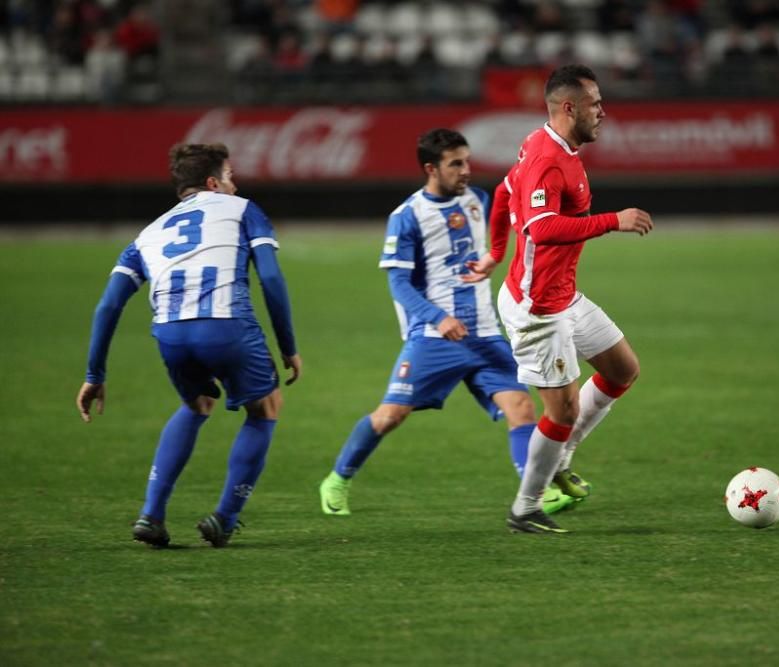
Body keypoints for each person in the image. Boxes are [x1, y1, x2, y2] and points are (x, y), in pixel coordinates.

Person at [318, 128, 577, 518]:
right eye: (455, 164)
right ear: (430, 168)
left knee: (521, 407)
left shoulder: (479, 200)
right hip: (434, 337)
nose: (466, 170)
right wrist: (438, 319)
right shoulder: (406, 217)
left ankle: (534, 496)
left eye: (467, 161)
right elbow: (398, 283)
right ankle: (337, 479)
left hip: (485, 332)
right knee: (390, 416)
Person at [75, 143, 302, 548]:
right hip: (226, 325)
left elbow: (108, 304)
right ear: (214, 182)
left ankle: (152, 515)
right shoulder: (243, 210)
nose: (236, 183)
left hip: (170, 334)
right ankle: (225, 518)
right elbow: (270, 278)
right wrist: (288, 346)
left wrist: (95, 374)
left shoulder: (147, 235)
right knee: (266, 406)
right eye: (231, 176)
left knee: (196, 404)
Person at [464, 64, 653, 534]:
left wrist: (494, 252)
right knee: (561, 411)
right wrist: (614, 220)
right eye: (595, 104)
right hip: (537, 308)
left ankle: (561, 457)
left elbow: (504, 191)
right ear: (569, 107)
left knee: (622, 370)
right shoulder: (548, 159)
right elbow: (543, 228)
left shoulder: (543, 144)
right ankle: (526, 507)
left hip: (563, 296)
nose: (602, 112)